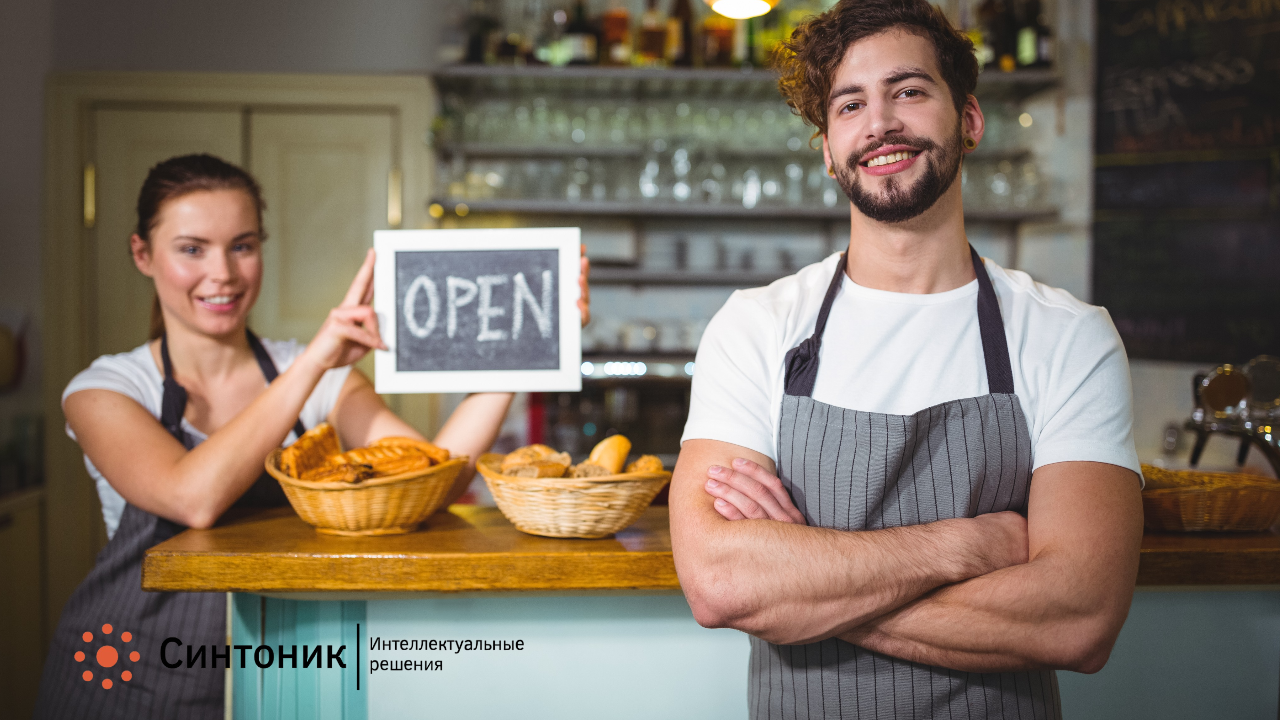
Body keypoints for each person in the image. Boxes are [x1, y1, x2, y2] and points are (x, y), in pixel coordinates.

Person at [670, 2, 1143, 718]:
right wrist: (965, 546)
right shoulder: (757, 327)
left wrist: (805, 582)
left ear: (970, 121)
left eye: (910, 91)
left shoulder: (1069, 337)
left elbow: (1078, 619)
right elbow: (719, 584)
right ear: (828, 149)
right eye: (850, 103)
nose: (880, 123)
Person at [34, 153, 591, 719]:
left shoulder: (323, 376)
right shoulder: (107, 388)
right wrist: (313, 365)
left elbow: (434, 478)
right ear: (142, 254)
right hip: (123, 674)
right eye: (192, 248)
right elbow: (191, 497)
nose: (222, 273)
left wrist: (532, 345)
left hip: (281, 671)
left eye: (243, 246)